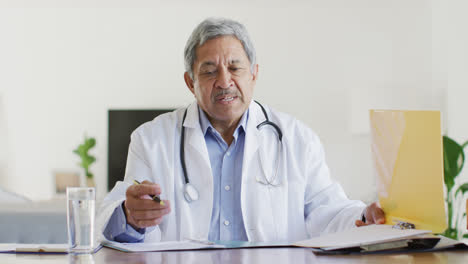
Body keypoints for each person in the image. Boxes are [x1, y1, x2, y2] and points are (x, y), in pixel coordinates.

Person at [97, 17, 385, 243]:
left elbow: (328, 210)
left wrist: (363, 216)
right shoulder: (151, 140)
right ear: (190, 82)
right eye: (209, 71)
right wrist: (130, 215)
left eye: (235, 68)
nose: (224, 82)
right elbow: (114, 220)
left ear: (254, 74)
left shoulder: (298, 138)